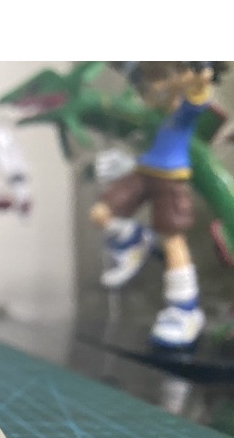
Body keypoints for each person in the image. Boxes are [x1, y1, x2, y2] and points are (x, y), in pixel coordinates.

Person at [90, 62, 226, 348]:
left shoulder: (187, 109)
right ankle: (134, 237)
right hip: (143, 173)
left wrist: (199, 75)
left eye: (161, 78)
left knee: (172, 240)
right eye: (150, 80)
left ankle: (185, 309)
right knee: (100, 213)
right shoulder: (157, 113)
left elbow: (200, 92)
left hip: (171, 181)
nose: (153, 86)